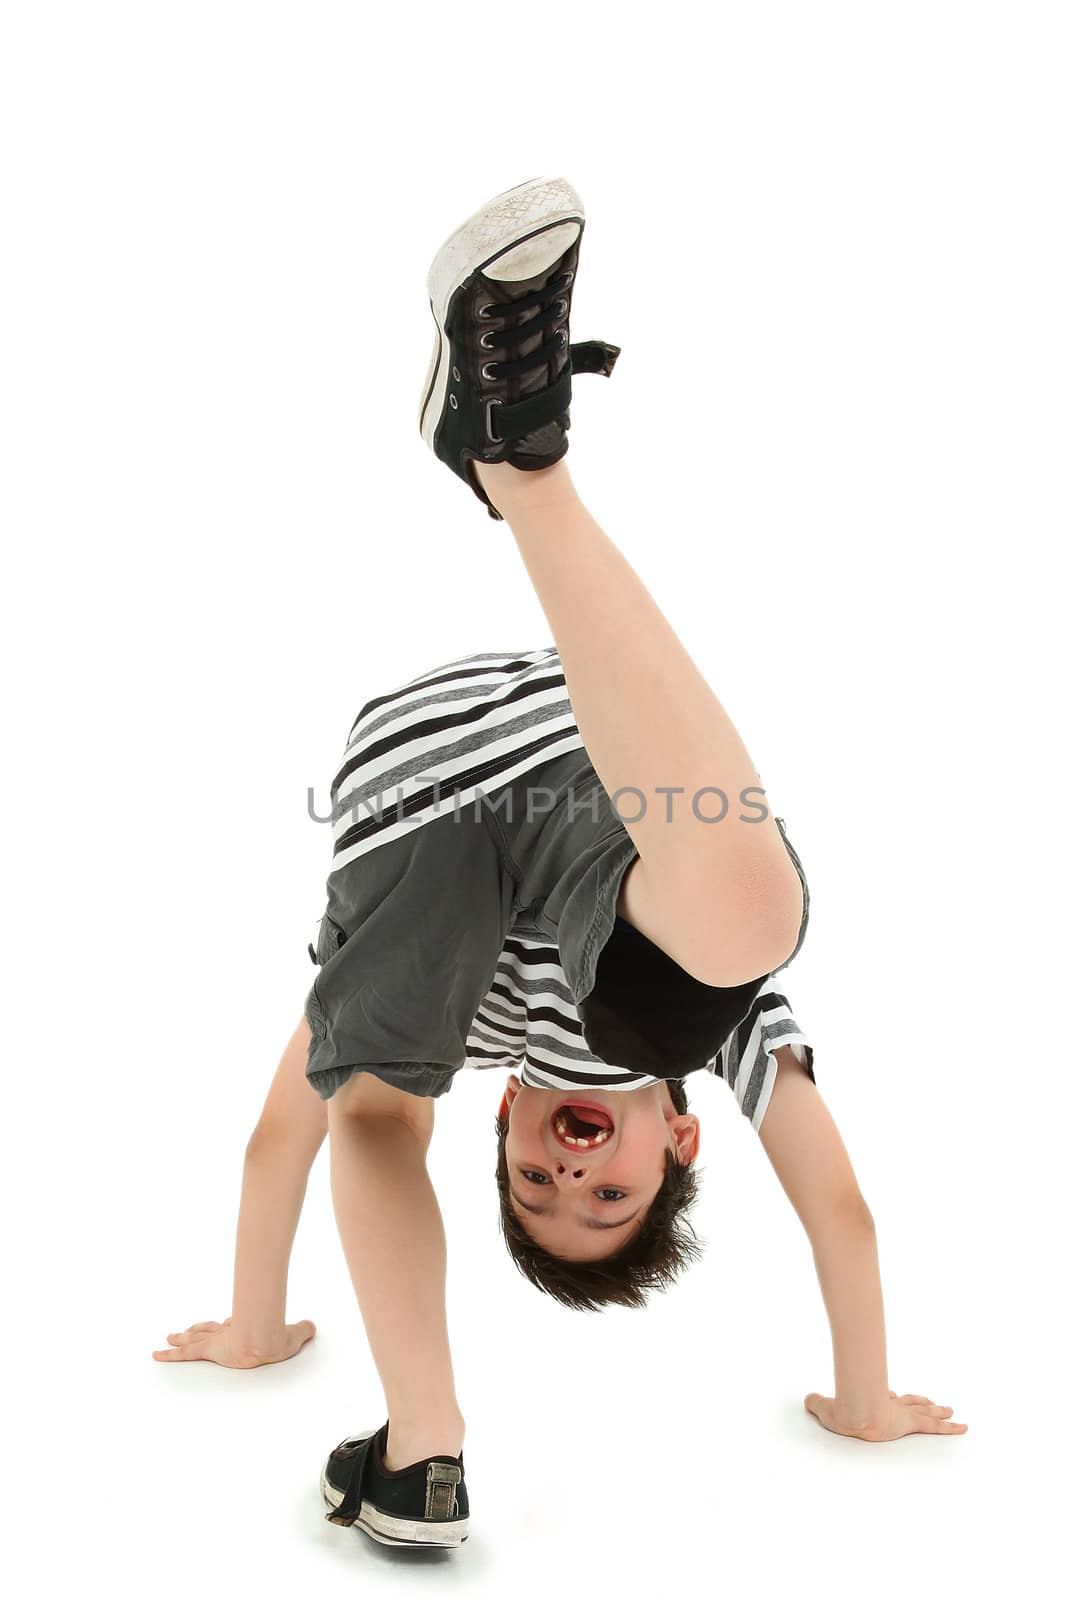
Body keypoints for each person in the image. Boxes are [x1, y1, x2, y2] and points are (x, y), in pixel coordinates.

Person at [152, 176, 967, 1551]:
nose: (569, 1170)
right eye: (609, 1191)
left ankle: (425, 1444)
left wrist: (252, 1320)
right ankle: (520, 456)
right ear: (677, 1135)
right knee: (750, 930)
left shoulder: (459, 1033)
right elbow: (844, 1212)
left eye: (537, 1186)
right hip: (598, 783)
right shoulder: (729, 1047)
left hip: (416, 784)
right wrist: (866, 1397)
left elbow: (278, 1133)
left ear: (507, 1131)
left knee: (368, 1101)